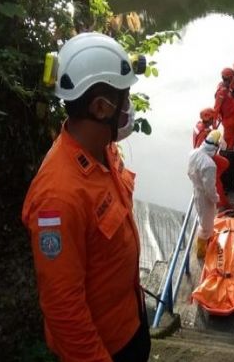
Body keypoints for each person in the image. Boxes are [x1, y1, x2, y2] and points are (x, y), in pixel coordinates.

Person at [22, 32, 150, 362]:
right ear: (99, 107)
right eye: (125, 98)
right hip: (105, 348)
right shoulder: (59, 196)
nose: (128, 107)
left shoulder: (102, 151)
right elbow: (63, 310)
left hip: (131, 321)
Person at [188, 130, 222, 258]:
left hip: (197, 190)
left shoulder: (194, 153)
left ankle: (205, 242)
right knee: (206, 224)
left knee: (203, 218)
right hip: (205, 196)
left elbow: (189, 172)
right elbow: (209, 189)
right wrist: (216, 199)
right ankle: (201, 252)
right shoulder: (209, 165)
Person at [193, 108, 231, 209]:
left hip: (205, 156)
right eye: (212, 118)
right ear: (208, 119)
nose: (214, 120)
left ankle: (215, 179)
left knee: (225, 163)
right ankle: (224, 205)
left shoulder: (200, 126)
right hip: (205, 159)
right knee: (217, 184)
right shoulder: (203, 133)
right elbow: (201, 148)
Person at [214, 67, 234, 193]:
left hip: (233, 123)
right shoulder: (222, 92)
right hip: (229, 124)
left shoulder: (226, 90)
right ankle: (227, 182)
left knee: (230, 149)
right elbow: (216, 109)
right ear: (230, 78)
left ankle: (228, 178)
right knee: (228, 152)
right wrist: (214, 127)